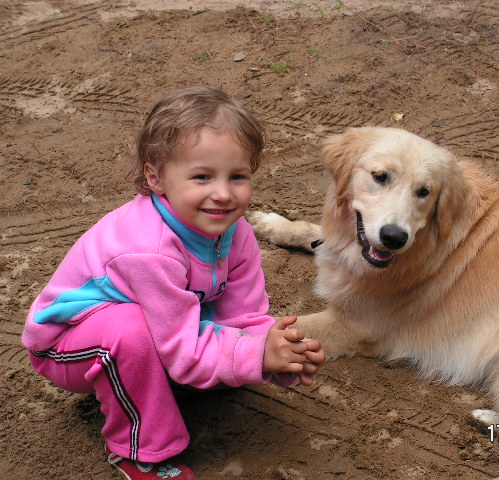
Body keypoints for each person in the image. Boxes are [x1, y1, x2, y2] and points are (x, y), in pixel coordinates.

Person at [21, 86, 325, 480]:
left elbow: (244, 314)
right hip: (67, 347)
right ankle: (139, 449)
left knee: (179, 330)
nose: (223, 194)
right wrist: (252, 355)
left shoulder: (236, 233)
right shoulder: (150, 252)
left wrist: (275, 350)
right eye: (202, 177)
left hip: (161, 327)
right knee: (130, 333)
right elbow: (181, 349)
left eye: (237, 176)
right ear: (156, 177)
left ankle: (164, 378)